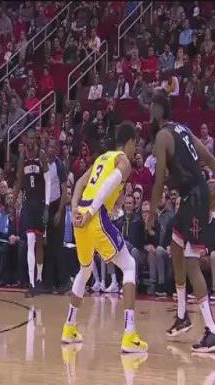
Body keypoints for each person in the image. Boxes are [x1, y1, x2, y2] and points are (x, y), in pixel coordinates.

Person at [147, 92, 215, 353]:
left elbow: (159, 179)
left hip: (193, 200)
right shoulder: (182, 129)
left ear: (158, 111)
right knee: (176, 248)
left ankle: (213, 331)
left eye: (151, 109)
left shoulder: (162, 136)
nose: (149, 114)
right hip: (192, 197)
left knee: (192, 263)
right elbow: (209, 157)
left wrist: (151, 212)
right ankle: (182, 315)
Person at [61, 121, 148, 354]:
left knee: (85, 270)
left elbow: (80, 183)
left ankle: (69, 328)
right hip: (94, 215)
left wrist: (75, 208)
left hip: (81, 213)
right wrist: (91, 211)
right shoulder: (123, 161)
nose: (135, 149)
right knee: (129, 266)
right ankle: (129, 335)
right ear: (129, 142)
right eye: (135, 144)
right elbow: (109, 184)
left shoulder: (101, 159)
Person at [13, 129, 50, 295]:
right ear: (25, 139)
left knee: (39, 242)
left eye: (32, 138)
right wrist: (13, 199)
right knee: (30, 241)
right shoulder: (22, 157)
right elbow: (19, 180)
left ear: (35, 139)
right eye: (28, 138)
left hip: (40, 202)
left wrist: (47, 206)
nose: (30, 140)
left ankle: (40, 278)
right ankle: (31, 282)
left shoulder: (41, 155)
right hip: (28, 203)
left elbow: (48, 182)